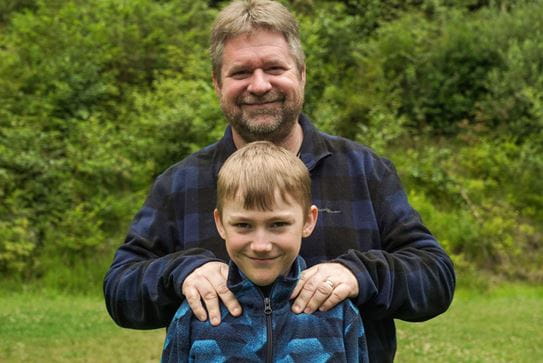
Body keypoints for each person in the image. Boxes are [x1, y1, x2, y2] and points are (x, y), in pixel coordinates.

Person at [104, 0, 456, 361]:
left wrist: (359, 274)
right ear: (216, 83)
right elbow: (120, 290)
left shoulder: (365, 171)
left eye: (274, 68)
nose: (259, 85)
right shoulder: (180, 183)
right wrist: (179, 273)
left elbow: (436, 278)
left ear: (301, 74)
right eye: (240, 73)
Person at [161, 141, 369, 362]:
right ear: (220, 223)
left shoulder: (339, 313)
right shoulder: (194, 314)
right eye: (243, 225)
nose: (261, 245)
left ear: (308, 221)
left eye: (278, 224)